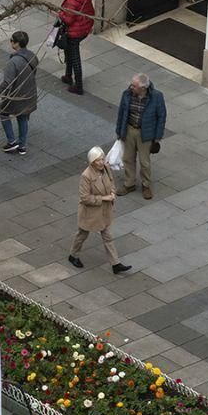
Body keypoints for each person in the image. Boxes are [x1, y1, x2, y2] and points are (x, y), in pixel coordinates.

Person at [70, 146, 132, 275]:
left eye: (102, 159)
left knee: (108, 236)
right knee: (82, 235)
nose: (101, 162)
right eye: (98, 160)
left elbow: (111, 182)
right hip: (90, 213)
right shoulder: (86, 176)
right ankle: (73, 255)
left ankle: (115, 264)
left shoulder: (106, 169)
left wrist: (112, 192)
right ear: (92, 161)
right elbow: (85, 198)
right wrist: (104, 198)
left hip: (104, 211)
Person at [114, 72, 166, 200]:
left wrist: (158, 136)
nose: (131, 87)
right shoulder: (127, 94)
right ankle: (129, 183)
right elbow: (121, 112)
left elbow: (161, 116)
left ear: (143, 88)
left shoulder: (156, 97)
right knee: (128, 158)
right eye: (131, 85)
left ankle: (146, 185)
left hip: (146, 133)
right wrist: (119, 131)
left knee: (144, 162)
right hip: (130, 129)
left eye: (134, 86)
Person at [0, 30, 37, 156]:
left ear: (16, 43)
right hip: (29, 92)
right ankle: (22, 146)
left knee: (3, 112)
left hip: (16, 95)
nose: (10, 42)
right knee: (22, 117)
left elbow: (7, 83)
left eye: (11, 40)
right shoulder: (32, 56)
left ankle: (11, 141)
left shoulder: (13, 62)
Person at [56, 0, 94, 95]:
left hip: (74, 32)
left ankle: (78, 85)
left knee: (74, 57)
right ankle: (68, 76)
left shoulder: (73, 0)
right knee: (68, 52)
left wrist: (60, 14)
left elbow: (68, 20)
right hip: (83, 30)